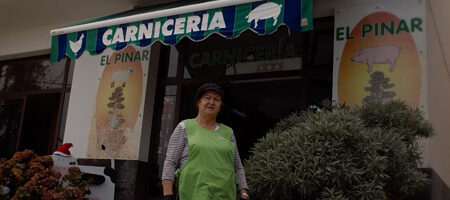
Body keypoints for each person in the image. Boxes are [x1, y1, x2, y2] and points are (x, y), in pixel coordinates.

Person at [162, 83, 249, 200]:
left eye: (216, 99)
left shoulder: (228, 133)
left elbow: (237, 166)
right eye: (207, 98)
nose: (211, 102)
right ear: (199, 102)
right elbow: (170, 162)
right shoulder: (184, 127)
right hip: (193, 195)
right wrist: (168, 194)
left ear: (220, 105)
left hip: (225, 195)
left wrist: (243, 192)